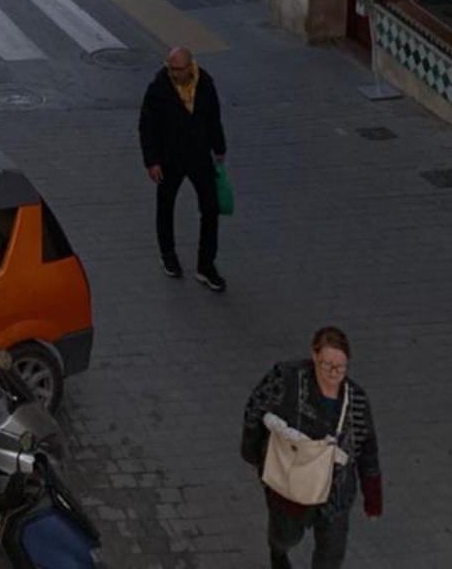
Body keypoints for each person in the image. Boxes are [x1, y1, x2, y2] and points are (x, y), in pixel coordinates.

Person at [241, 325, 383, 567]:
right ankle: (278, 554)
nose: (334, 372)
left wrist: (373, 497)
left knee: (330, 557)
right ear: (314, 356)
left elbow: (367, 447)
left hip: (336, 494)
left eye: (341, 366)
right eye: (327, 365)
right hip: (290, 486)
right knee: (284, 538)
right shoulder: (286, 379)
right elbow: (255, 409)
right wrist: (252, 452)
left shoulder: (356, 399)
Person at [137, 44, 227, 291]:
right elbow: (147, 126)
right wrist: (152, 161)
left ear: (190, 66)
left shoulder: (205, 83)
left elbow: (213, 117)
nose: (174, 73)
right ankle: (168, 255)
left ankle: (206, 266)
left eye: (178, 69)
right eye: (171, 68)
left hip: (199, 156)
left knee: (210, 209)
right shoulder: (159, 88)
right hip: (170, 158)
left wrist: (219, 148)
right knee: (165, 206)